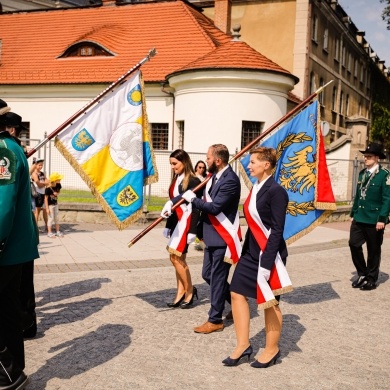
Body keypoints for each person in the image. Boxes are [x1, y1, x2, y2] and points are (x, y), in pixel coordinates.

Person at [220, 147, 289, 368]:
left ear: (266, 165)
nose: (248, 166)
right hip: (251, 252)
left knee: (269, 302)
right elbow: (253, 224)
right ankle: (243, 345)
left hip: (270, 254)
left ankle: (272, 349)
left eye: (253, 162)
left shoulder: (277, 191)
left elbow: (277, 230)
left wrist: (266, 264)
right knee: (237, 292)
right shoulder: (256, 188)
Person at [181, 144, 241, 333]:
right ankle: (235, 300)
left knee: (217, 277)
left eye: (208, 158)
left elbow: (215, 208)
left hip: (223, 238)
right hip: (211, 235)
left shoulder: (230, 180)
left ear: (218, 160)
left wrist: (193, 200)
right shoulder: (213, 176)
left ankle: (215, 319)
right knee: (208, 274)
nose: (205, 161)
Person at [0, 118, 39, 389]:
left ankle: (9, 373)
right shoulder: (9, 146)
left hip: (6, 247)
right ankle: (12, 373)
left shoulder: (3, 150)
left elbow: (3, 203)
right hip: (13, 248)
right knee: (7, 312)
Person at [160, 149, 202, 309]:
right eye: (171, 164)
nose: (172, 167)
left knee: (175, 258)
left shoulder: (193, 181)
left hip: (188, 221)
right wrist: (168, 226)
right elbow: (173, 204)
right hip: (177, 222)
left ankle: (190, 291)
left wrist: (193, 231)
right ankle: (181, 292)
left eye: (175, 163)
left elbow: (197, 208)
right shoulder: (176, 179)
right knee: (178, 258)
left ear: (184, 162)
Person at [349, 143, 390, 291]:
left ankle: (371, 278)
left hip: (374, 219)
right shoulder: (362, 173)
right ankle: (362, 273)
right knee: (354, 244)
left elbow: (387, 199)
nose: (365, 158)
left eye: (369, 156)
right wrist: (353, 213)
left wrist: (382, 219)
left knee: (373, 250)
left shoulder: (384, 175)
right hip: (360, 217)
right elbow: (359, 196)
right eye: (365, 156)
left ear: (377, 158)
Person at [31, 158, 49, 231]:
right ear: (35, 165)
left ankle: (47, 226)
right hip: (37, 194)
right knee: (37, 211)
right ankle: (35, 227)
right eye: (39, 165)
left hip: (43, 193)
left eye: (42, 165)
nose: (41, 167)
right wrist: (45, 183)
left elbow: (48, 181)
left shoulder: (42, 173)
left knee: (45, 210)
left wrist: (44, 183)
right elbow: (38, 184)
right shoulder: (33, 174)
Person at [45, 172, 64, 238]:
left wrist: (57, 193)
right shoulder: (48, 189)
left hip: (55, 204)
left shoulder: (58, 185)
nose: (60, 180)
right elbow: (46, 198)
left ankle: (57, 231)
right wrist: (47, 208)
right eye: (58, 179)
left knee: (57, 218)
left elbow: (59, 191)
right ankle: (49, 232)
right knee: (51, 218)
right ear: (55, 180)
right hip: (50, 205)